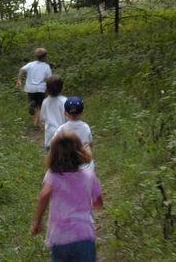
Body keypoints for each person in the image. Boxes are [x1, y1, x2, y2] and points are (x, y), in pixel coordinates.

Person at [30, 131, 103, 262]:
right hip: (83, 235)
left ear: (53, 154)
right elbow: (98, 204)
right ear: (80, 151)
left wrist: (37, 221)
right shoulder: (89, 175)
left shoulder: (52, 175)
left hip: (59, 237)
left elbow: (44, 195)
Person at [55, 96, 94, 170]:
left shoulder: (61, 130)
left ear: (65, 113)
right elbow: (90, 144)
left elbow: (54, 148)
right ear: (82, 112)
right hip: (87, 167)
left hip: (68, 167)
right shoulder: (86, 127)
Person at [16, 48, 52, 128]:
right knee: (39, 107)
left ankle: (32, 103)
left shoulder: (31, 64)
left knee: (34, 104)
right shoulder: (46, 67)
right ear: (45, 57)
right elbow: (50, 79)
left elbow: (21, 69)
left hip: (30, 88)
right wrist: (49, 89)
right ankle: (36, 123)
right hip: (41, 89)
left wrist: (19, 80)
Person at [40, 75, 67, 151]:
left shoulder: (45, 102)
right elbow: (69, 118)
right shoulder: (65, 101)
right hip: (63, 133)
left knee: (51, 158)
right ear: (62, 88)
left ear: (47, 89)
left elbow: (42, 118)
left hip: (50, 134)